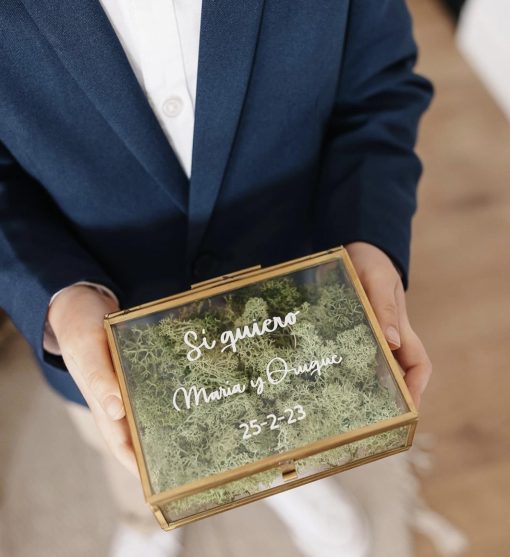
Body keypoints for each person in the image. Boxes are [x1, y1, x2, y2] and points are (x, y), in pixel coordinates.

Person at [0, 1, 433, 555]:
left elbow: (379, 91)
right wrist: (57, 296)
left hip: (297, 301)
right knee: (131, 464)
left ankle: (291, 483)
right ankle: (141, 519)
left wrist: (369, 234)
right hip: (105, 328)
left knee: (290, 434)